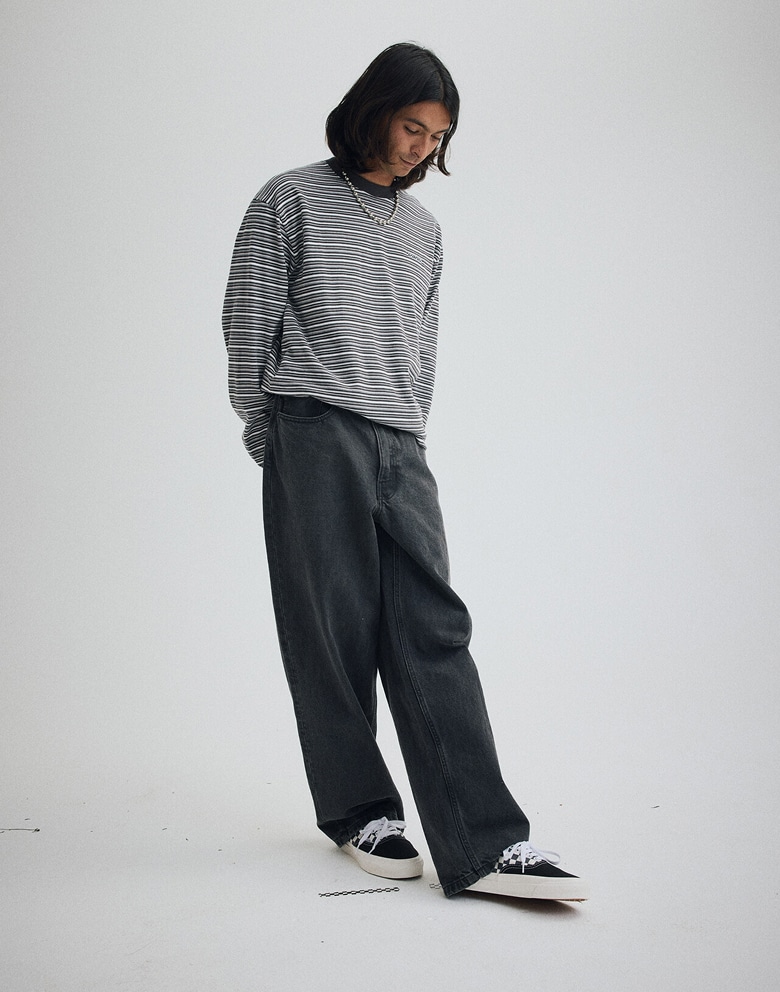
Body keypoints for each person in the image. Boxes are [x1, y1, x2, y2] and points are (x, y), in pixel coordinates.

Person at [223, 42, 588, 902]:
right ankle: (360, 812)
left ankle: (487, 843)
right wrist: (268, 428)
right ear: (372, 110)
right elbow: (247, 320)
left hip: (400, 441)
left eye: (438, 136)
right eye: (411, 124)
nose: (421, 146)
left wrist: (410, 431)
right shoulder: (290, 197)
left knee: (435, 629)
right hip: (311, 429)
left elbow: (421, 345)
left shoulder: (426, 230)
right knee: (332, 629)